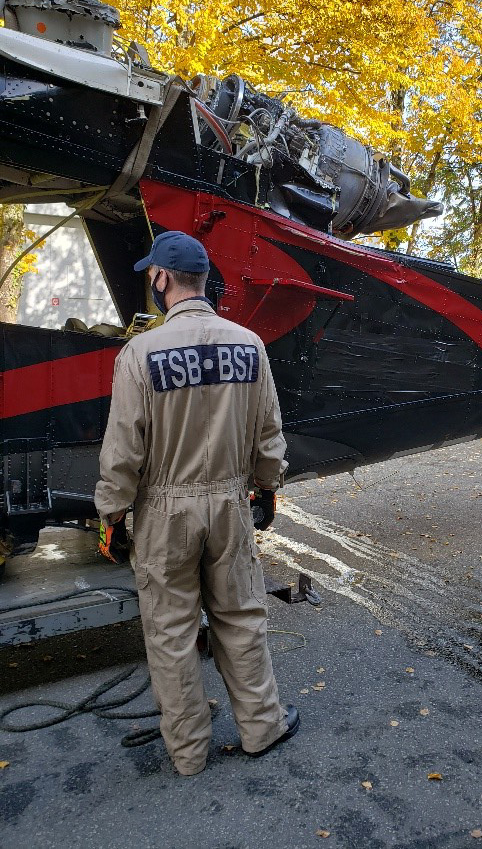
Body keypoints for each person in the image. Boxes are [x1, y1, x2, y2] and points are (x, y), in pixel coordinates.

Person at [94, 230, 298, 776]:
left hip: (165, 512)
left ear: (162, 278)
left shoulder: (140, 353)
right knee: (241, 617)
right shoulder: (249, 345)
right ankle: (262, 727)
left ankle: (188, 753)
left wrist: (112, 514)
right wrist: (267, 487)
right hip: (230, 504)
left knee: (171, 631)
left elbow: (123, 449)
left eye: (151, 274)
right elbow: (269, 433)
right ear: (203, 280)